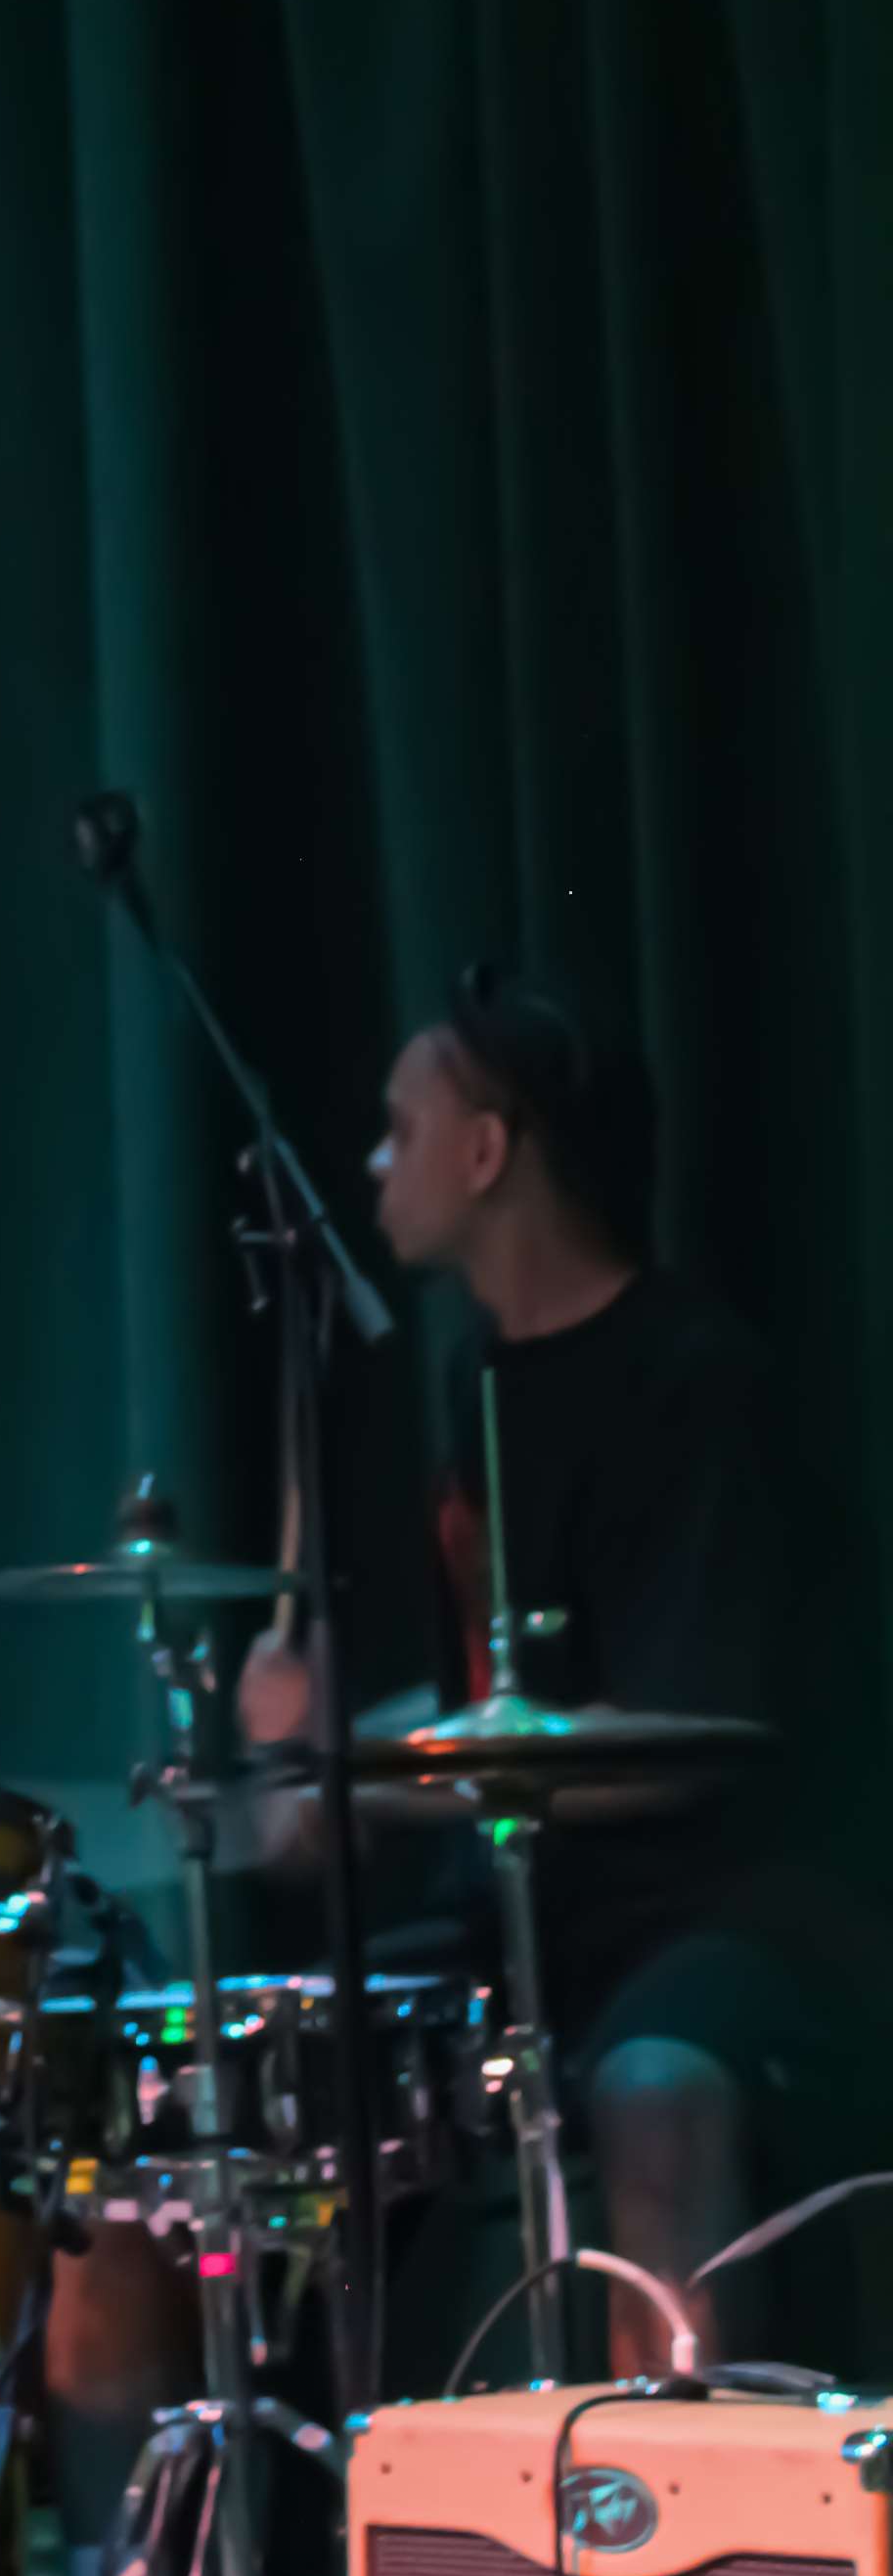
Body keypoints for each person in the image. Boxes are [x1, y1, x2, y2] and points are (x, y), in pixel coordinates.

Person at [243, 968, 879, 2363]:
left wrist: (362, 1771)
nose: (372, 1163)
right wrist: (315, 1755)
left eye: (400, 1132)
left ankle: (681, 2550)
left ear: (487, 1151)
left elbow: (667, 1737)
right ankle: (188, 2551)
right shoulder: (472, 1387)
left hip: (730, 1912)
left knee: (656, 2084)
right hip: (537, 1914)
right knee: (227, 2075)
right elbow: (492, 1712)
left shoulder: (696, 1386)